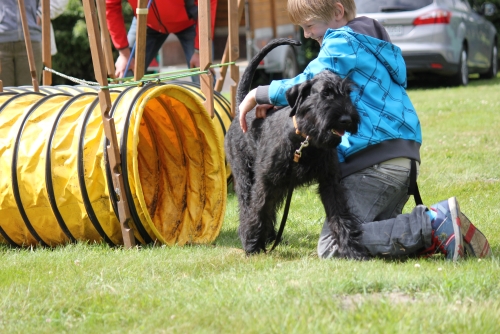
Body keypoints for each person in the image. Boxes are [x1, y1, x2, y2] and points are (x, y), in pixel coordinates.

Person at [238, 0, 491, 261]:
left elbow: (310, 81)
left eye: (310, 25)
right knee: (377, 234)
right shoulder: (370, 42)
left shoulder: (342, 43)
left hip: (374, 165)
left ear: (337, 12)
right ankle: (439, 234)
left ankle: (434, 224)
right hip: (404, 161)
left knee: (333, 246)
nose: (306, 34)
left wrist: (261, 93)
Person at [105, 0, 217, 83]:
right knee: (125, 73)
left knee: (204, 77)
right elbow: (110, 6)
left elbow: (209, 2)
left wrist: (200, 50)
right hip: (146, 23)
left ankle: (211, 114)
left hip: (190, 23)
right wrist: (124, 54)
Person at [0, 0, 42, 87]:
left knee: (29, 95)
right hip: (2, 41)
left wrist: (41, 14)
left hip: (31, 39)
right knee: (3, 96)